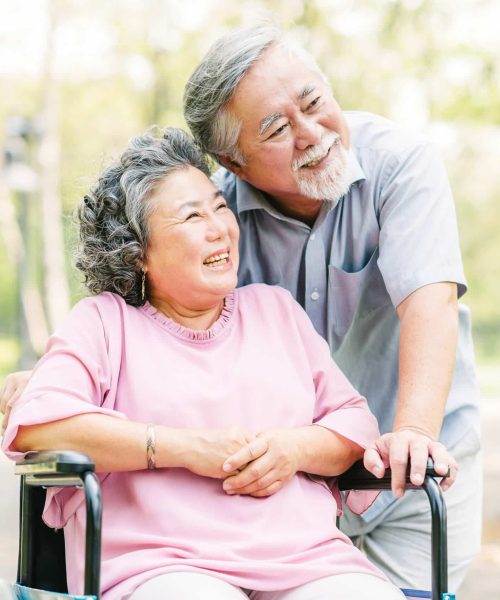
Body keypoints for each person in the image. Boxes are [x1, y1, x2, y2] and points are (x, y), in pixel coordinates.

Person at [2, 128, 405, 600]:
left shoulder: (275, 311)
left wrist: (293, 448)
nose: (220, 228)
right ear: (137, 254)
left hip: (305, 559)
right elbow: (38, 427)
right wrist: (184, 448)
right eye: (192, 216)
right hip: (161, 565)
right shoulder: (104, 323)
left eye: (219, 207)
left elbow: (354, 422)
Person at [181, 24, 481, 592]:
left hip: (413, 474)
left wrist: (413, 432)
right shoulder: (217, 222)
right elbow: (155, 321)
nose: (312, 133)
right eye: (276, 129)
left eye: (315, 102)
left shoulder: (401, 165)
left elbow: (430, 304)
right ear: (234, 161)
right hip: (295, 483)